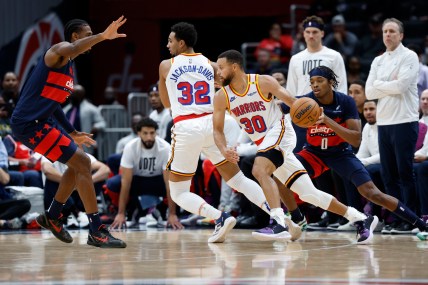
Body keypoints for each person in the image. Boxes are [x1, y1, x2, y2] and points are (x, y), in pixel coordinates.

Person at [214, 50, 378, 244]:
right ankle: (360, 219)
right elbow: (217, 130)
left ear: (234, 67)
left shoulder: (262, 82)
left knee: (259, 169)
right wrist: (224, 149)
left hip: (280, 132)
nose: (218, 73)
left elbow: (293, 102)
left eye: (221, 68)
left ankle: (278, 222)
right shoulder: (222, 97)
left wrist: (311, 113)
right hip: (264, 143)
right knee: (309, 194)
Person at [158, 22, 293, 243]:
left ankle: (219, 217)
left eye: (170, 41)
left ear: (181, 43)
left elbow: (165, 103)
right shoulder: (211, 65)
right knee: (238, 179)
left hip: (186, 126)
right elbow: (233, 84)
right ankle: (280, 216)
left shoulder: (165, 65)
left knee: (178, 192)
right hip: (212, 123)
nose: (167, 45)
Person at [10, 16, 128, 248]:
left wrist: (72, 132)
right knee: (83, 163)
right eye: (88, 35)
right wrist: (103, 36)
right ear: (75, 36)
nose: (90, 39)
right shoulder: (58, 51)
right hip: (28, 123)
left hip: (42, 122)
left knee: (77, 166)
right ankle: (96, 230)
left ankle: (53, 216)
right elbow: (73, 48)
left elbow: (54, 105)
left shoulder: (70, 69)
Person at [287, 65, 427, 239]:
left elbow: (355, 139)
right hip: (313, 153)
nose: (315, 85)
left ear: (331, 82)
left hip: (340, 153)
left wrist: (327, 120)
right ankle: (292, 218)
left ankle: (422, 226)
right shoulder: (305, 102)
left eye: (319, 81)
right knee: (282, 174)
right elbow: (280, 103)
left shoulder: (345, 102)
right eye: (312, 82)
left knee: (372, 193)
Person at [365, 18, 422, 236]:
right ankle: (397, 218)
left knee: (404, 173)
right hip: (385, 122)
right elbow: (369, 93)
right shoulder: (378, 61)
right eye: (385, 31)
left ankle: (412, 219)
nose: (387, 35)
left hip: (404, 121)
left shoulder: (409, 56)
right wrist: (385, 86)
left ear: (401, 35)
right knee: (388, 175)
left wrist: (380, 85)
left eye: (392, 31)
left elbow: (401, 86)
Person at [108, 117, 183, 230]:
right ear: (139, 133)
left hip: (158, 181)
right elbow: (126, 182)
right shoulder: (130, 147)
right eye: (145, 133)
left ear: (156, 133)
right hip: (137, 181)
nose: (149, 137)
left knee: (178, 183)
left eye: (152, 133)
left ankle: (163, 209)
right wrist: (121, 213)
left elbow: (169, 184)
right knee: (113, 184)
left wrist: (172, 214)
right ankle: (130, 209)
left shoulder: (165, 148)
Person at [41, 150, 110, 229]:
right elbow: (47, 170)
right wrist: (69, 183)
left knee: (98, 178)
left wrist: (86, 182)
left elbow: (105, 170)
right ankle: (72, 213)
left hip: (78, 193)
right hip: (58, 196)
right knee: (51, 179)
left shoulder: (83, 156)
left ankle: (82, 213)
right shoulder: (51, 154)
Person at [63, 84, 106, 155]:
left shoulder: (91, 109)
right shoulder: (66, 109)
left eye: (75, 93)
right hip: (68, 140)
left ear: (81, 95)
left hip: (83, 142)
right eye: (72, 93)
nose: (72, 95)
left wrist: (95, 127)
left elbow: (102, 123)